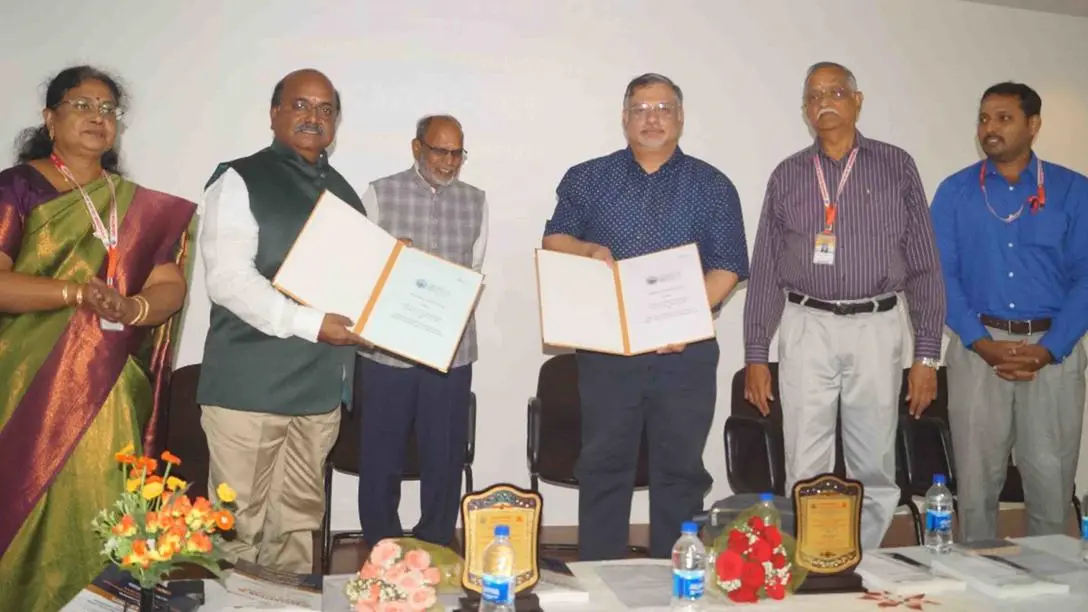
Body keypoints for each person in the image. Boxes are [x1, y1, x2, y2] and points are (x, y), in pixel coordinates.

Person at [0, 65, 196, 612]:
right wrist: (74, 295)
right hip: (23, 386)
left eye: (108, 109)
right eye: (82, 105)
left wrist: (133, 307)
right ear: (50, 118)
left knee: (102, 503)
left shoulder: (137, 204)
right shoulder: (16, 187)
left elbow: (169, 284)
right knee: (22, 507)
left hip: (109, 388)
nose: (97, 118)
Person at [542, 73, 749, 560]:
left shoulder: (713, 185)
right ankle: (601, 577)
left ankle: (672, 576)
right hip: (608, 351)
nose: (651, 118)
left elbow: (729, 266)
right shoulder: (587, 178)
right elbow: (554, 241)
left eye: (662, 108)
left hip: (686, 356)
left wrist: (686, 322)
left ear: (680, 116)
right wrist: (590, 249)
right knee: (603, 465)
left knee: (680, 471)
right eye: (640, 108)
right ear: (624, 118)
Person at [743, 61, 945, 550]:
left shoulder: (897, 166)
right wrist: (755, 354)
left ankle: (865, 561)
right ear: (804, 110)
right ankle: (812, 562)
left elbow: (924, 265)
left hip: (877, 326)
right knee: (804, 461)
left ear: (858, 100)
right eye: (813, 96)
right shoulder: (788, 174)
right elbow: (766, 268)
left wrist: (925, 356)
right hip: (806, 323)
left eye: (835, 92)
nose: (823, 102)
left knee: (873, 462)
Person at [197, 68, 368, 572]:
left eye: (326, 109)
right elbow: (228, 281)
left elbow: (351, 281)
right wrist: (313, 323)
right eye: (300, 105)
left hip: (318, 390)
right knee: (235, 527)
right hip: (250, 389)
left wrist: (389, 274)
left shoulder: (343, 191)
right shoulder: (239, 178)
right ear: (274, 113)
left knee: (297, 526)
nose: (314, 117)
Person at [931, 82, 1088, 542]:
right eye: (984, 119)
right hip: (978, 349)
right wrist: (981, 343)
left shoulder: (1073, 191)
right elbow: (941, 276)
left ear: (1033, 125)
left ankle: (1052, 594)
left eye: (1004, 118)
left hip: (1052, 353)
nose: (990, 129)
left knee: (1050, 483)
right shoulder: (957, 191)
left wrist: (1050, 349)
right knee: (976, 487)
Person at [355, 114, 486, 548]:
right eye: (439, 151)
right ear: (417, 148)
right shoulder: (378, 193)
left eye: (457, 153)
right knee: (381, 457)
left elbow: (474, 269)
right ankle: (382, 548)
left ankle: (434, 545)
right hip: (385, 356)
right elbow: (360, 269)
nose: (448, 162)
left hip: (451, 352)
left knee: (444, 457)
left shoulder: (477, 201)